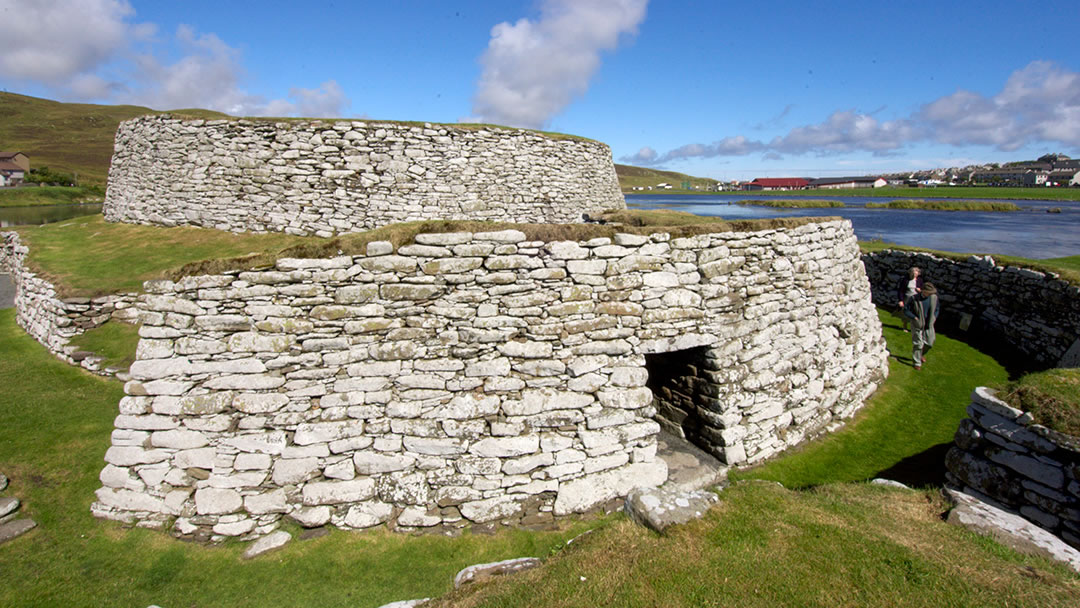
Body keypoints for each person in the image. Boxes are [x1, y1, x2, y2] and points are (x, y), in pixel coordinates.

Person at [904, 282, 939, 370]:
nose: (930, 294)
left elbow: (937, 309)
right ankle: (917, 362)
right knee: (918, 344)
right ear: (923, 291)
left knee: (930, 343)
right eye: (928, 292)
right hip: (917, 324)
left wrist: (934, 317)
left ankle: (921, 354)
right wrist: (914, 317)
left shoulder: (934, 298)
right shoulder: (914, 298)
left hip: (929, 324)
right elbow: (906, 310)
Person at [896, 266, 923, 332]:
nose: (914, 275)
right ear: (910, 273)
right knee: (905, 312)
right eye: (913, 274)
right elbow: (901, 291)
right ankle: (905, 326)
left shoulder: (920, 280)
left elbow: (923, 290)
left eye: (916, 274)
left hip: (916, 299)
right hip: (907, 298)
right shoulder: (905, 280)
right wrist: (901, 300)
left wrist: (919, 290)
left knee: (915, 313)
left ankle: (914, 327)